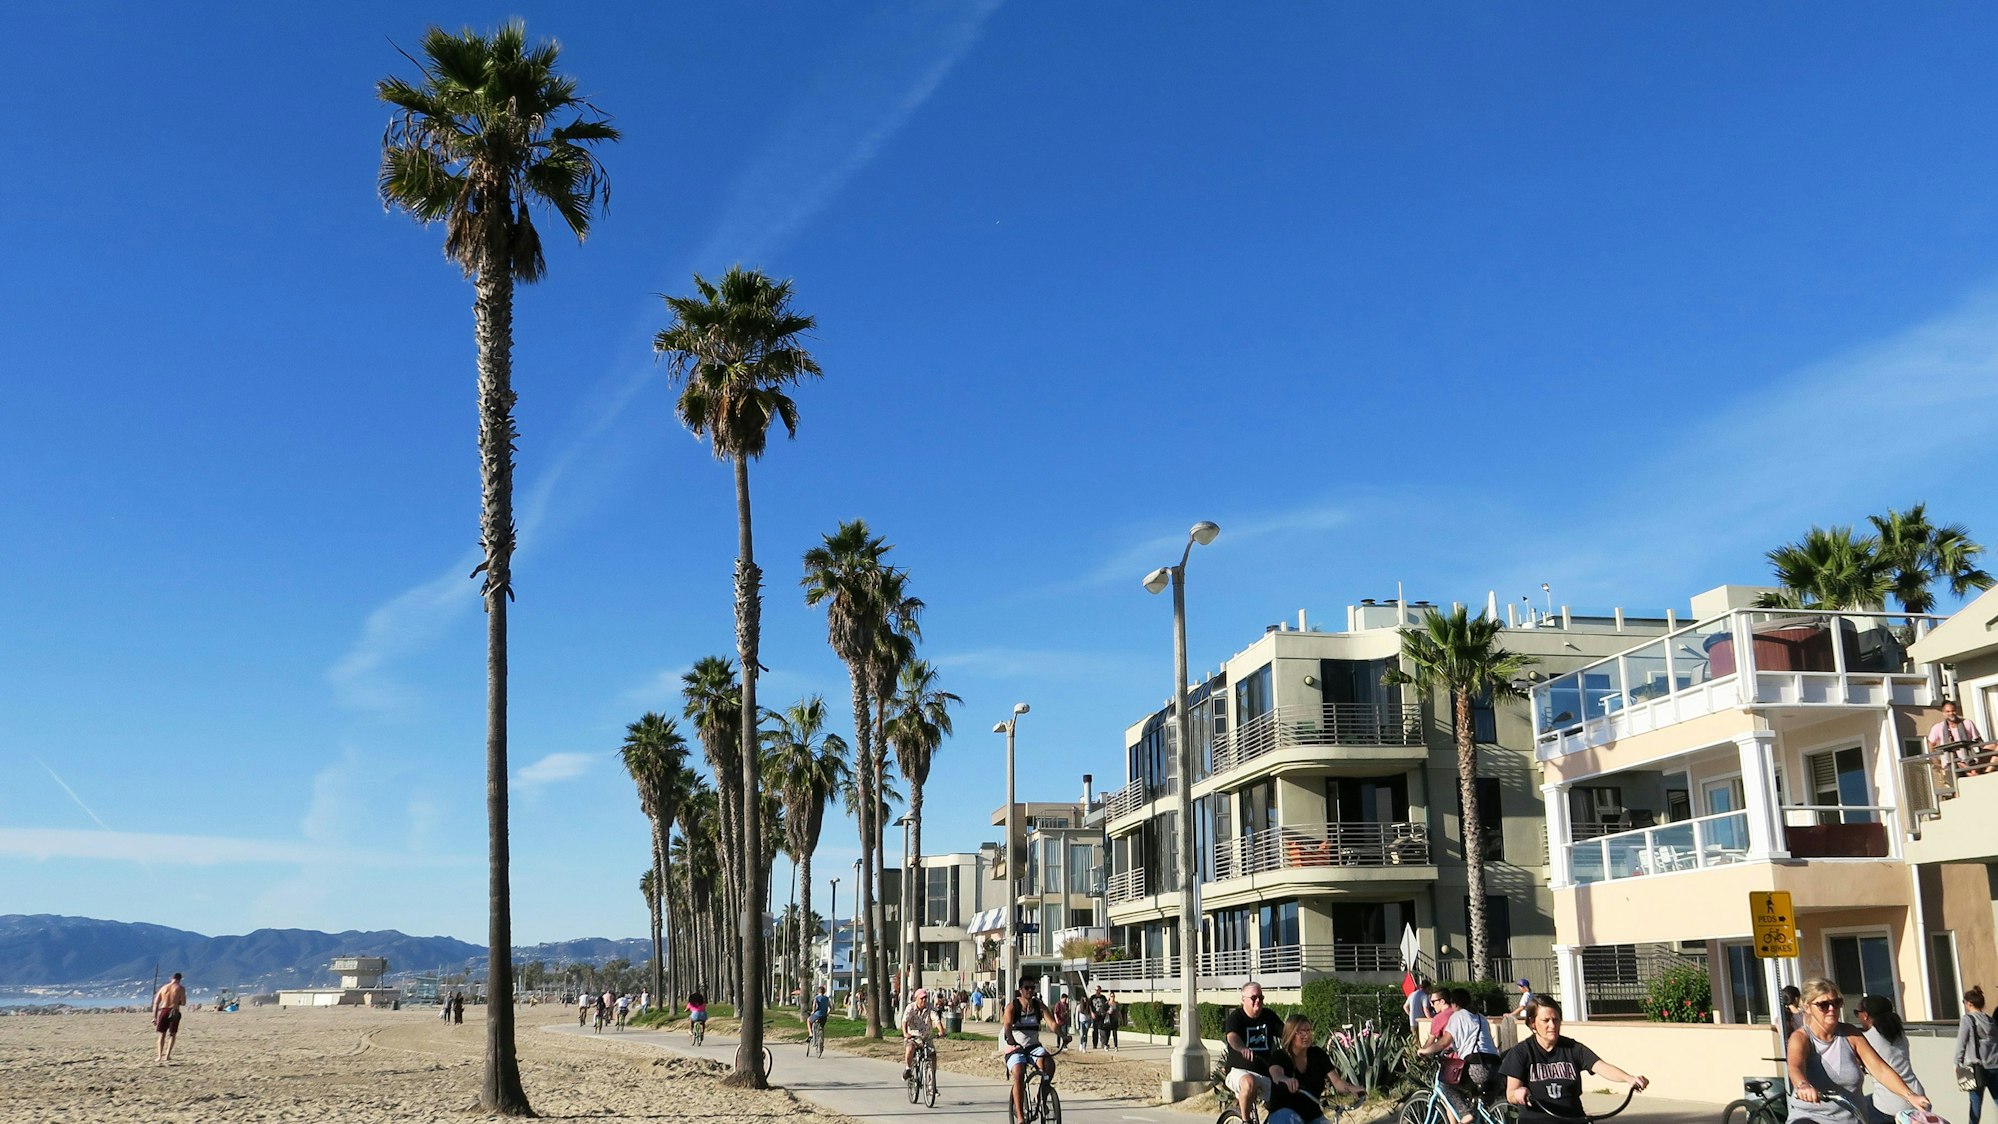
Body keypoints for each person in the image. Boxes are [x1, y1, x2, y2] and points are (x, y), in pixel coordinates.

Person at [1787, 977, 1929, 1124]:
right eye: (1823, 1005)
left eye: (1836, 1003)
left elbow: (1879, 1069)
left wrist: (1909, 1095)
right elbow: (1795, 1066)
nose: (1832, 1009)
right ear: (1808, 1007)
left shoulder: (1851, 1034)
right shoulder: (1801, 1038)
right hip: (1811, 1118)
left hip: (1851, 1119)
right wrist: (1802, 1085)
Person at [1501, 994, 1647, 1124]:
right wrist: (1518, 1093)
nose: (1552, 1025)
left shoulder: (1572, 1048)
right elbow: (1511, 1094)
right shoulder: (1521, 1052)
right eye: (1546, 1020)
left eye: (1556, 1020)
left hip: (1573, 1118)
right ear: (1533, 1023)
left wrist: (1629, 1078)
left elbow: (1601, 1066)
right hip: (1536, 1120)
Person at [1417, 988, 1500, 1124]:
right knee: (1479, 1106)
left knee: (1446, 1085)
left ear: (1454, 1003)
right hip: (1496, 1066)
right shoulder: (1481, 1017)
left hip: (1477, 1066)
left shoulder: (1457, 1016)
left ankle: (1465, 1115)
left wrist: (1424, 1051)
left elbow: (1444, 1042)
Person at [1266, 1012, 1365, 1124]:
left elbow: (1336, 1081)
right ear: (1291, 1034)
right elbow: (1276, 1074)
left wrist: (1350, 1088)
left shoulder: (1318, 1054)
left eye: (1308, 1031)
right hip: (1284, 1113)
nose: (1306, 1035)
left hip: (1312, 1115)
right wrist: (1285, 1079)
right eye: (1301, 1032)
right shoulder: (1280, 1056)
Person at [1224, 980, 1286, 1124]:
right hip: (1238, 1071)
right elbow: (1232, 1037)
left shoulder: (1269, 1016)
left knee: (1286, 1100)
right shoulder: (1236, 1018)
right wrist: (1242, 1048)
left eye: (1261, 997)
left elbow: (1286, 1034)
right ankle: (1246, 1121)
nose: (1258, 1001)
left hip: (1265, 1072)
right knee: (1249, 1083)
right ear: (1243, 1000)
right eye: (1253, 998)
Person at [1857, 994, 1926, 1119]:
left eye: (1858, 1013)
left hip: (1889, 1103)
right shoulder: (1900, 1035)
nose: (1858, 1017)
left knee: (1856, 1111)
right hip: (1917, 1095)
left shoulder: (1865, 1039)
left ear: (1865, 1015)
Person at [1003, 979, 1056, 1124]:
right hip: (1015, 1048)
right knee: (1019, 1074)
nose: (1030, 990)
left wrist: (1063, 1035)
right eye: (1027, 988)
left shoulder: (1039, 1006)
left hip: (1033, 1047)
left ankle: (1041, 1096)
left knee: (1049, 1064)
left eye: (1033, 987)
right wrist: (1010, 1039)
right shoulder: (1012, 1007)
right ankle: (1020, 1117)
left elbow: (1052, 1023)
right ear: (1020, 989)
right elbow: (1007, 1025)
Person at [1957, 986, 1998, 1124]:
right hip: (1995, 1066)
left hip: (1977, 1068)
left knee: (1975, 1104)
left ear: (1969, 1003)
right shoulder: (1991, 1021)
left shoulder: (1968, 1019)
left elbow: (1961, 1043)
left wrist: (1956, 1062)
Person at [1931, 699, 1996, 776]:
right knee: (1971, 774)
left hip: (1970, 759)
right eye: (1948, 711)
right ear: (1943, 713)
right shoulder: (1938, 727)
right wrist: (1936, 763)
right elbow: (1931, 745)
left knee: (1995, 747)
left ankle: (1985, 772)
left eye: (1953, 710)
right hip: (1952, 762)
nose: (1951, 713)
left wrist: (1984, 757)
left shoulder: (1967, 723)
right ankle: (1975, 772)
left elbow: (1979, 741)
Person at [902, 988, 939, 1080]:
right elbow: (904, 1021)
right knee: (910, 1048)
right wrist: (905, 1033)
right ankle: (908, 1069)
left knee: (933, 1055)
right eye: (922, 998)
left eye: (925, 998)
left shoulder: (930, 1008)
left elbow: (936, 1019)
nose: (924, 1000)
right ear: (916, 999)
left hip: (926, 1037)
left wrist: (941, 1031)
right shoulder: (910, 1008)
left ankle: (932, 1081)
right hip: (913, 1036)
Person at [152, 971, 187, 1065]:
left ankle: (159, 1056)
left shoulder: (163, 988)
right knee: (172, 1034)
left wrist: (154, 1017)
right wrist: (177, 1001)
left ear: (171, 978)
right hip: (174, 1011)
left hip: (163, 1010)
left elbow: (155, 1003)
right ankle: (167, 1055)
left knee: (161, 1035)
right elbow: (183, 1002)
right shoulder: (180, 988)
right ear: (180, 979)